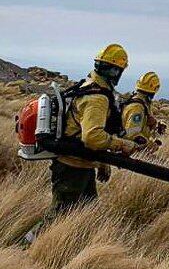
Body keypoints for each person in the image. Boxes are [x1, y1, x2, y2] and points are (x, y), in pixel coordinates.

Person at [22, 44, 136, 245]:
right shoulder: (98, 97)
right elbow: (92, 137)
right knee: (59, 216)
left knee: (88, 212)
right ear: (116, 71)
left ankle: (76, 249)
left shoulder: (88, 86)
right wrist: (121, 144)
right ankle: (26, 247)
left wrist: (102, 163)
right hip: (71, 167)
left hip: (81, 165)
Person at [121, 72, 163, 152]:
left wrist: (153, 125)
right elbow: (132, 133)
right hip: (128, 153)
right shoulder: (138, 107)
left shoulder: (141, 103)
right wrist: (151, 145)